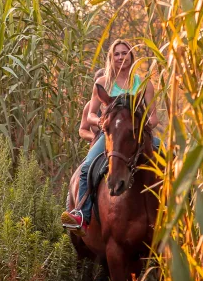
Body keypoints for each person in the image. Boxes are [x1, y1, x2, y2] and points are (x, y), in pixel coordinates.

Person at [62, 40, 159, 235]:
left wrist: (140, 126)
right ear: (111, 58)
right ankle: (82, 214)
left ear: (132, 56)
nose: (121, 57)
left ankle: (180, 212)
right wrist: (101, 123)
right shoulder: (103, 83)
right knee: (88, 166)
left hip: (137, 135)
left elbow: (154, 118)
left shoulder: (145, 83)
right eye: (117, 54)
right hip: (111, 135)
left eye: (125, 53)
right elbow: (90, 114)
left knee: (168, 158)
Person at [78, 68, 105, 143]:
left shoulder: (118, 102)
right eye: (99, 85)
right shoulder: (90, 105)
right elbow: (82, 130)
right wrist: (95, 138)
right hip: (99, 142)